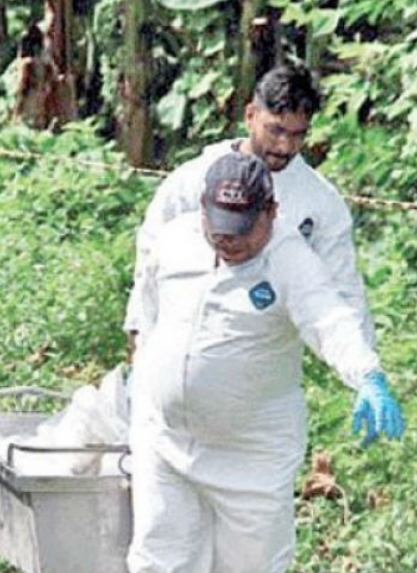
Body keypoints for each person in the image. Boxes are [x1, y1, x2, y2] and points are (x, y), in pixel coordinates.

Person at [125, 151, 405, 573]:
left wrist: (367, 375)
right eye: (218, 230)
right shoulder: (175, 241)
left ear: (270, 213)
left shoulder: (290, 259)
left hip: (251, 452)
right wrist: (142, 361)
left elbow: (329, 318)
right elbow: (147, 304)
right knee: (158, 562)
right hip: (165, 438)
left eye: (241, 231)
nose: (228, 243)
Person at [124, 61, 376, 356]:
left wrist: (366, 371)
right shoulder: (194, 180)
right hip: (182, 342)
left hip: (263, 357)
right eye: (276, 130)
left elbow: (343, 288)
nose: (284, 146)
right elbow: (151, 257)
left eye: (297, 135)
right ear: (250, 115)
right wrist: (140, 332)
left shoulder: (319, 202)